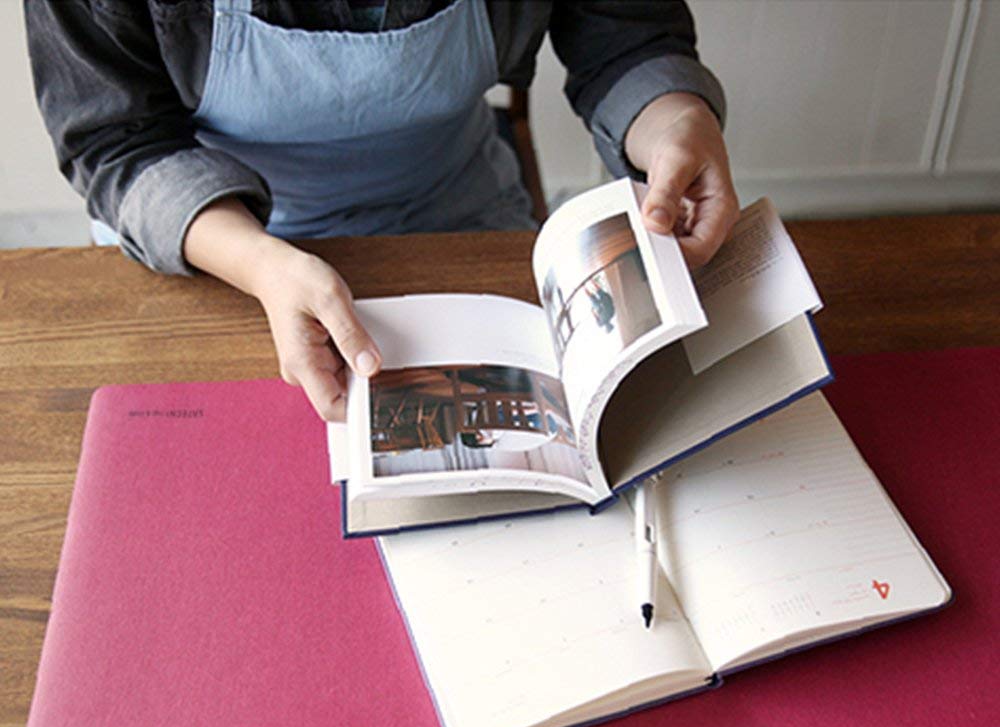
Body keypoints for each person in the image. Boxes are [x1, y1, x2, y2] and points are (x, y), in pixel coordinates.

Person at [26, 1, 740, 421]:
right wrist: (263, 264)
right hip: (212, 245)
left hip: (453, 204)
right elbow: (115, 140)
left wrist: (675, 122)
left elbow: (629, 35)